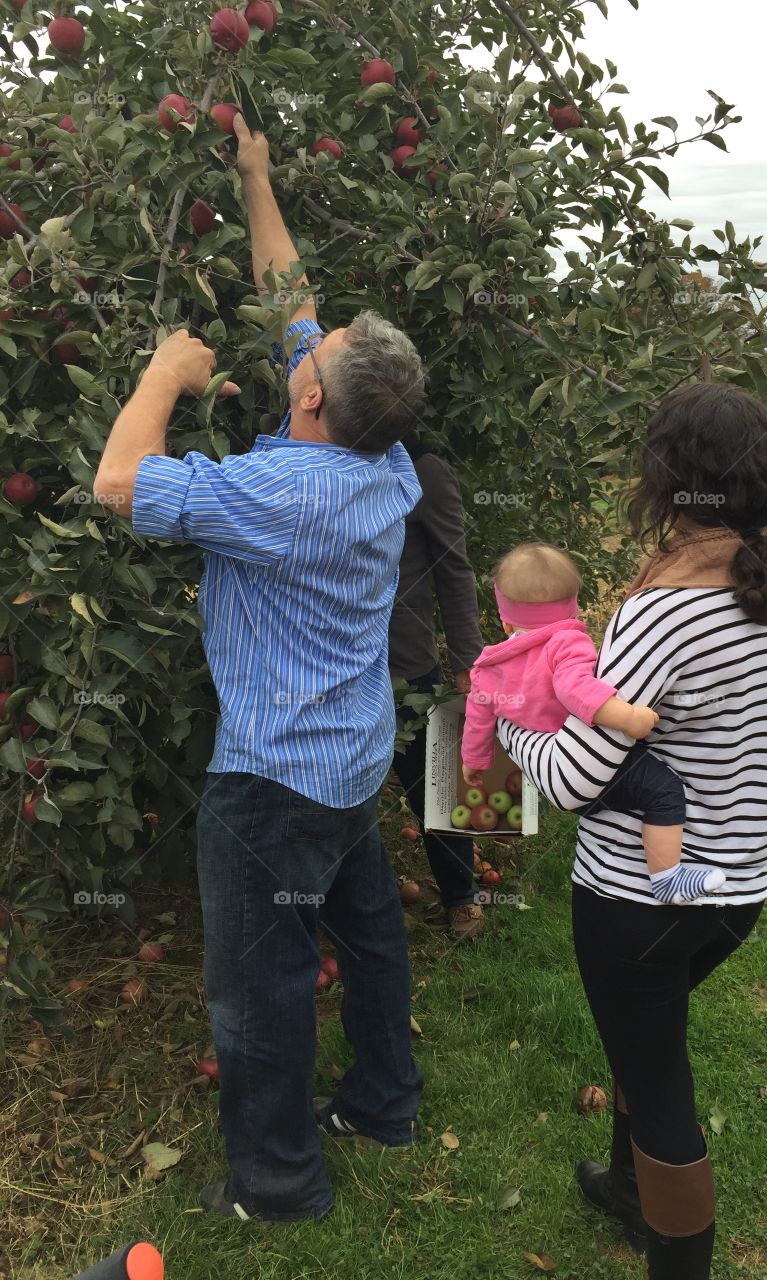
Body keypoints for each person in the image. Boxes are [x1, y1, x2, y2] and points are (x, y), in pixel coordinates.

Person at [93, 114, 427, 1223]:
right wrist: (256, 174)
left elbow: (119, 486)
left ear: (315, 399)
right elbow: (294, 299)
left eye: (312, 359)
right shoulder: (384, 460)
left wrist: (163, 371)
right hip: (350, 758)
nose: (306, 344)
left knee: (261, 983)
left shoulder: (275, 497)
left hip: (272, 785)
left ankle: (278, 1182)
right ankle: (385, 1099)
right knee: (369, 936)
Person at [496, 383, 767, 1279]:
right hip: (730, 896)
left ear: (666, 480)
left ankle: (679, 1260)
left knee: (656, 1073)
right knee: (647, 1041)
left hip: (639, 902)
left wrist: (502, 727)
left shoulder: (658, 612)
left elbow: (571, 778)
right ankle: (627, 1188)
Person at [461, 541, 726, 904]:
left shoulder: (488, 665)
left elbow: (478, 720)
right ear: (573, 607)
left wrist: (474, 763)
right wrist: (630, 718)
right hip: (582, 763)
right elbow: (575, 690)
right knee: (663, 790)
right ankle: (667, 878)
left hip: (549, 774)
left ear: (506, 619)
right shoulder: (566, 642)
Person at [388, 438, 486, 938]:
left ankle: (460, 896)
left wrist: (469, 663)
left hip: (407, 668)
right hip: (336, 671)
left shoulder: (422, 467)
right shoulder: (322, 460)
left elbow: (454, 569)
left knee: (437, 790)